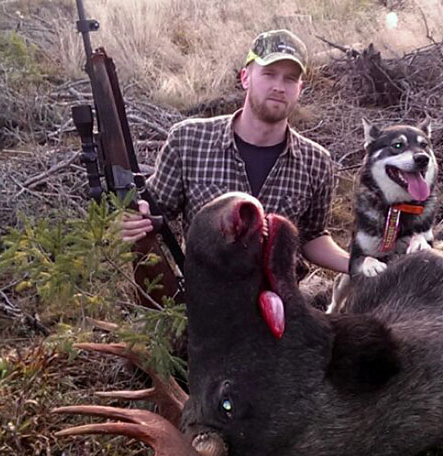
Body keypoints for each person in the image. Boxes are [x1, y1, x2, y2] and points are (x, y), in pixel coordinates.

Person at [120, 29, 349, 274]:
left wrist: (361, 267)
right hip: (206, 296)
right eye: (269, 74)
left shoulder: (316, 162)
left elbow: (313, 237)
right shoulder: (188, 141)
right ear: (245, 77)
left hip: (278, 301)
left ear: (300, 89)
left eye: (290, 79)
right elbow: (155, 210)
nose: (279, 87)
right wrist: (132, 218)